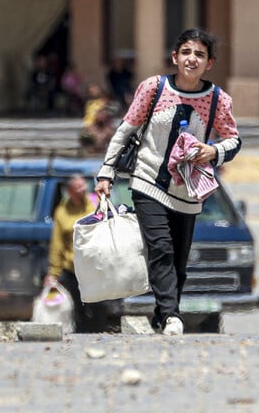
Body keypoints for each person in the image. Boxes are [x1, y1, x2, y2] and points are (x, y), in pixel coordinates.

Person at [94, 28, 241, 336]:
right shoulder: (154, 88)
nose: (192, 59)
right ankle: (173, 315)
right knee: (159, 247)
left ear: (209, 63)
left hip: (187, 191)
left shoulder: (217, 100)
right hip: (147, 181)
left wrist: (212, 151)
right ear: (175, 57)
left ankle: (163, 317)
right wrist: (106, 172)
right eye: (186, 52)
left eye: (200, 54)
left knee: (178, 258)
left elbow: (233, 141)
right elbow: (125, 130)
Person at [44, 175, 106, 333]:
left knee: (99, 305)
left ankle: (100, 333)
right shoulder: (61, 212)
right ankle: (82, 337)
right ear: (69, 191)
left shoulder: (95, 203)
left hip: (95, 265)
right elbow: (57, 245)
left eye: (84, 185)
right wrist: (54, 272)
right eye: (78, 187)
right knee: (78, 307)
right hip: (73, 268)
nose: (83, 189)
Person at [79, 83, 117, 153]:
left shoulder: (106, 104)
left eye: (96, 90)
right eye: (92, 91)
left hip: (103, 126)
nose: (94, 92)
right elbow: (90, 118)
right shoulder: (90, 103)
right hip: (92, 125)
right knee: (96, 135)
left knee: (108, 133)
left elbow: (108, 115)